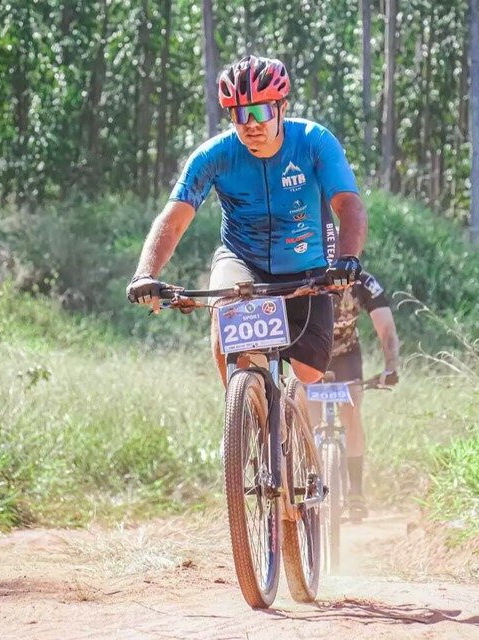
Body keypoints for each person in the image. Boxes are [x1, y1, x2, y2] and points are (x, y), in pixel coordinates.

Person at [126, 55, 368, 385]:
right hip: (242, 258)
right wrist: (145, 274)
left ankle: (289, 415)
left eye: (261, 111)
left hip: (307, 263)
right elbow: (175, 218)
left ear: (282, 107)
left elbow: (349, 206)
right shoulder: (214, 155)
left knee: (309, 373)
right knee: (224, 309)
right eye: (240, 114)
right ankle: (238, 419)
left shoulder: (314, 142)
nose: (251, 123)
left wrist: (347, 259)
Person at [311, 271, 400, 520]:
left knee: (351, 415)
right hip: (311, 354)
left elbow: (387, 329)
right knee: (308, 420)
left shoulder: (365, 283)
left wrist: (391, 366)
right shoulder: (307, 274)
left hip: (346, 356)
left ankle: (355, 493)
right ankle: (308, 482)